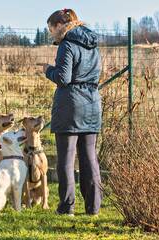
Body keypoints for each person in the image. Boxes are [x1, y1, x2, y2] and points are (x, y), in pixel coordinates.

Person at [43, 8, 102, 216]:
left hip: (70, 107)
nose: (51, 33)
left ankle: (67, 207)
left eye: (51, 28)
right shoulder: (92, 44)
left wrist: (47, 70)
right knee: (89, 158)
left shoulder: (67, 44)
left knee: (66, 160)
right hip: (92, 103)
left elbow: (63, 77)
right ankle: (93, 208)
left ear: (60, 25)